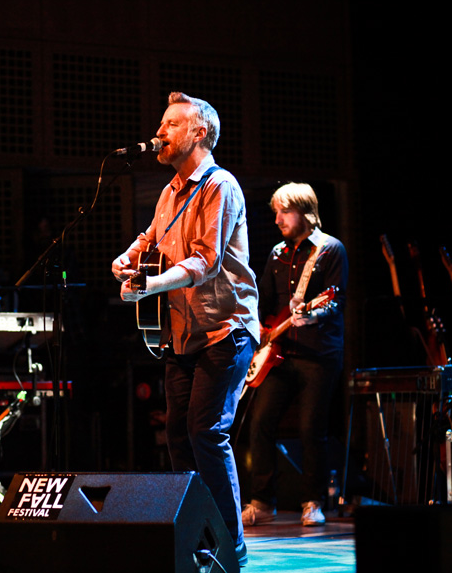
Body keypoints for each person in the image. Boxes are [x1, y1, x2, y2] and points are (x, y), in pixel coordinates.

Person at [112, 92, 260, 567]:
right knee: (177, 433)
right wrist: (128, 258)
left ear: (199, 132)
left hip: (226, 330)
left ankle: (230, 547)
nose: (160, 132)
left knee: (205, 432)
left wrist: (149, 282)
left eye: (170, 124)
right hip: (183, 335)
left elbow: (207, 260)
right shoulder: (170, 190)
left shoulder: (221, 186)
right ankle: (199, 539)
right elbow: (151, 237)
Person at [241, 182, 348, 528]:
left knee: (311, 427)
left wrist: (311, 315)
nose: (277, 219)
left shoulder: (331, 250)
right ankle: (262, 501)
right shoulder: (277, 253)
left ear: (304, 211)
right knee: (260, 422)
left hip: (319, 353)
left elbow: (335, 301)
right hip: (281, 352)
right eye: (276, 212)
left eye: (283, 212)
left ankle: (312, 501)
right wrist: (258, 326)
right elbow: (267, 301)